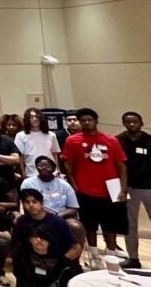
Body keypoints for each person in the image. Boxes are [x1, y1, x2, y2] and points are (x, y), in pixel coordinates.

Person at [62, 107, 128, 269]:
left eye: (89, 119)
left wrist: (123, 189)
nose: (86, 122)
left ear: (96, 121)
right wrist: (74, 186)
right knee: (89, 226)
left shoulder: (111, 140)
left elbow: (121, 166)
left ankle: (111, 256)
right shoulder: (73, 141)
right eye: (82, 120)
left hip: (110, 190)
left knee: (110, 226)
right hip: (85, 191)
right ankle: (94, 256)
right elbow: (68, 166)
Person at [13, 225, 83, 287]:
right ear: (29, 239)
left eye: (43, 237)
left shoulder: (62, 256)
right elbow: (24, 284)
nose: (38, 240)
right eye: (34, 237)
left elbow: (72, 286)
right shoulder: (23, 255)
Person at [20, 156, 84, 247]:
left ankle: (73, 259)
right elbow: (27, 204)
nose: (43, 168)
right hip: (37, 215)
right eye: (40, 165)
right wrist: (49, 216)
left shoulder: (64, 184)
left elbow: (74, 207)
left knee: (76, 227)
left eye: (47, 166)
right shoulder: (28, 183)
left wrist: (58, 216)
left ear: (54, 168)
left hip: (63, 216)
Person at [119, 111, 151, 268]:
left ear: (141, 123)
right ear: (124, 123)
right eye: (128, 122)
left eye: (135, 122)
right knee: (130, 224)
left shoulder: (149, 141)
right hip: (128, 189)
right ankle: (133, 258)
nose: (132, 124)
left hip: (148, 188)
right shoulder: (119, 141)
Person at [15, 108, 61, 179]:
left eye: (36, 117)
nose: (34, 119)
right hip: (31, 173)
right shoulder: (21, 135)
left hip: (51, 173)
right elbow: (20, 157)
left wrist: (58, 170)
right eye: (31, 117)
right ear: (27, 120)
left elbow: (54, 154)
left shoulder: (51, 135)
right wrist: (23, 173)